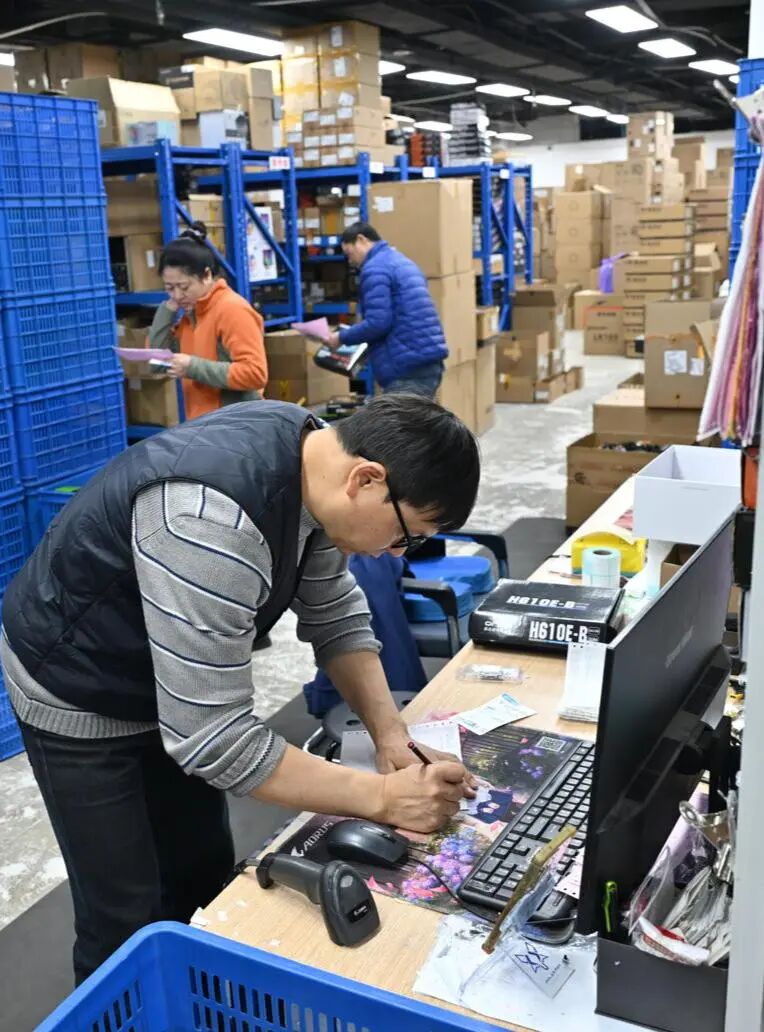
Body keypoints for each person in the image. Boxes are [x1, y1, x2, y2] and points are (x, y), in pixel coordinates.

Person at [1, 394, 480, 984]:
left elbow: (334, 614)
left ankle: (198, 1004)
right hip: (78, 684)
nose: (395, 552)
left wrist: (390, 736)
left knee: (202, 877)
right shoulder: (209, 520)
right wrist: (381, 798)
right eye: (408, 535)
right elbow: (215, 739)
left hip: (174, 678)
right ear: (366, 479)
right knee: (125, 916)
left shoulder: (315, 463)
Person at [148, 222, 268, 421]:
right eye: (169, 288)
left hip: (236, 424)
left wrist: (192, 367)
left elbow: (255, 374)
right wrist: (167, 310)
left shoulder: (232, 310)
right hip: (203, 424)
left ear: (207, 275)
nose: (177, 295)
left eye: (184, 287)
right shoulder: (190, 314)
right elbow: (157, 363)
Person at [328, 222, 448, 397]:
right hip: (426, 359)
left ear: (361, 240)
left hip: (406, 366)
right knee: (421, 413)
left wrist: (341, 337)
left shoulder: (375, 269)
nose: (350, 261)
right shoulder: (402, 261)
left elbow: (378, 323)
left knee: (403, 415)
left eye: (349, 253)